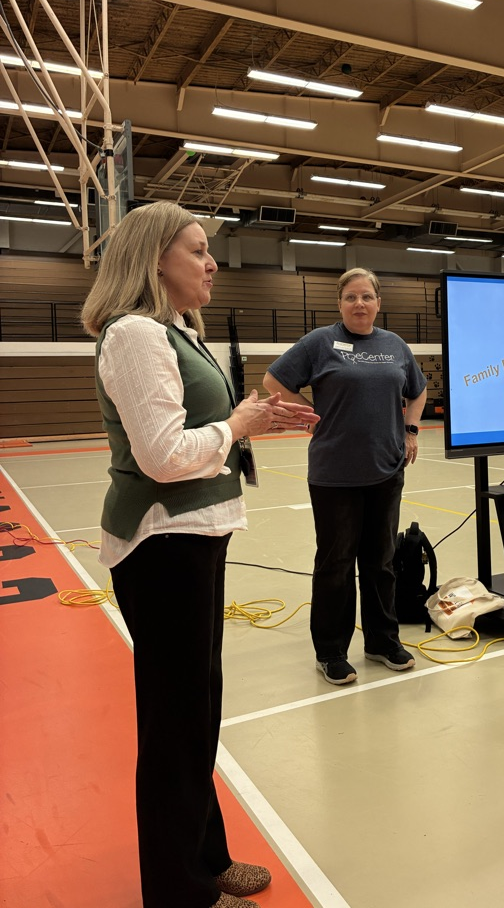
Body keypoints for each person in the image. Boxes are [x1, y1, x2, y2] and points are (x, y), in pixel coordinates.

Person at [80, 201, 318, 908]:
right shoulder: (133, 335)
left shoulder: (173, 331)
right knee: (176, 725)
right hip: (162, 546)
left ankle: (204, 861)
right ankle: (179, 892)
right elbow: (162, 457)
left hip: (192, 540)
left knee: (195, 716)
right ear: (155, 259)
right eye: (196, 250)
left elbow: (198, 433)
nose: (211, 262)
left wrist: (249, 420)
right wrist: (237, 423)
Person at [263, 267, 427, 686]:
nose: (360, 304)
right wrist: (308, 417)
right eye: (351, 297)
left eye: (367, 297)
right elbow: (273, 379)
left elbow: (417, 389)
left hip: (386, 470)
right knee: (335, 564)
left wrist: (410, 429)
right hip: (334, 475)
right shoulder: (319, 342)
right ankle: (331, 651)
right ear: (340, 303)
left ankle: (381, 642)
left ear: (377, 302)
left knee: (381, 562)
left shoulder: (394, 346)